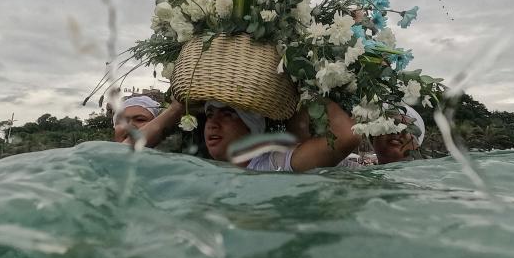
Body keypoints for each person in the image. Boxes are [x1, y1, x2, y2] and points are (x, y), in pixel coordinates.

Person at [130, 98, 361, 172]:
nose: (213, 123)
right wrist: (176, 109)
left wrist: (310, 80)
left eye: (228, 114)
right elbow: (120, 156)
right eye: (209, 114)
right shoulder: (201, 169)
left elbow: (347, 136)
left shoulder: (276, 163)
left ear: (252, 126)